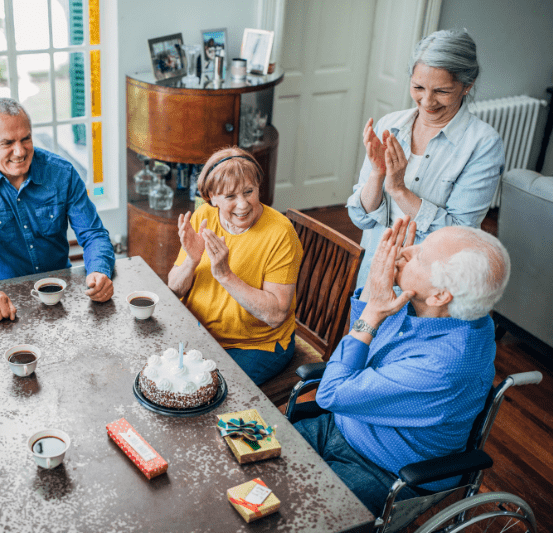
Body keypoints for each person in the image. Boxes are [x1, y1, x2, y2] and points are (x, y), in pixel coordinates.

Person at [293, 215, 510, 515]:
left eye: (420, 256)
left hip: (383, 468)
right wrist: (373, 290)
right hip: (343, 423)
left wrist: (371, 315)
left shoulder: (444, 364)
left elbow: (330, 393)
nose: (405, 252)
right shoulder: (439, 309)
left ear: (439, 295)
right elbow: (363, 349)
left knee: (287, 515)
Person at [347, 29, 505, 287]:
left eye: (442, 91)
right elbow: (360, 217)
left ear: (467, 86)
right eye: (418, 87)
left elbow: (458, 238)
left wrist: (399, 189)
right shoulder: (390, 125)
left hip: (426, 287)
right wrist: (377, 175)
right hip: (373, 274)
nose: (427, 101)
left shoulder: (483, 145)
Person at [0, 97, 115, 322]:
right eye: (7, 143)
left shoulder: (62, 173)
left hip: (60, 295)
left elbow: (93, 234)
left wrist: (99, 270)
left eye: (26, 139)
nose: (20, 152)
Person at [168, 147, 303, 385]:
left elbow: (276, 314)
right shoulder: (204, 216)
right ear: (212, 197)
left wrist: (225, 275)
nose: (243, 205)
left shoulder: (281, 234)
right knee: (161, 377)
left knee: (200, 393)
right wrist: (192, 260)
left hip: (254, 346)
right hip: (200, 333)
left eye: (249, 191)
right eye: (230, 197)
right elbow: (175, 289)